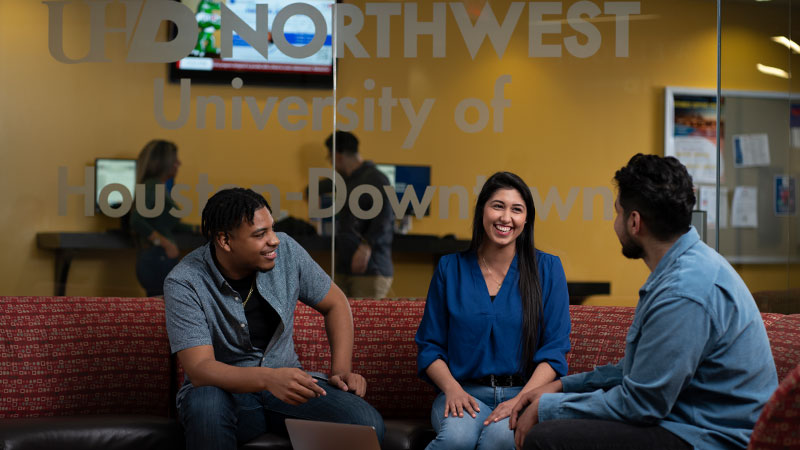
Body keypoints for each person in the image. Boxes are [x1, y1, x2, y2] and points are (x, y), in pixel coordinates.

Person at [510, 154, 779, 450]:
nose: (615, 224)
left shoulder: (685, 291)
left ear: (635, 221)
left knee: (546, 439)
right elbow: (635, 372)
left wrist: (549, 407)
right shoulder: (681, 269)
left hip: (712, 438)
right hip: (683, 421)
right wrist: (562, 386)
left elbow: (641, 403)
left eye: (617, 213)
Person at [164, 188, 385, 450]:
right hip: (228, 396)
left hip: (286, 391)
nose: (274, 240)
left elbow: (336, 303)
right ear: (225, 240)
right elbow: (200, 370)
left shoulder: (287, 251)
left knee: (365, 422)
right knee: (205, 403)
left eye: (272, 229)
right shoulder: (185, 281)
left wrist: (341, 371)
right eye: (260, 234)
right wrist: (269, 378)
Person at [415, 172, 571, 450]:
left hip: (524, 392)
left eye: (517, 209)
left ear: (526, 219)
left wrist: (522, 398)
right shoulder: (450, 268)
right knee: (456, 439)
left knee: (498, 440)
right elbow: (429, 347)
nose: (506, 217)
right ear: (482, 211)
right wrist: (452, 389)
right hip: (463, 391)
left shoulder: (548, 269)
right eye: (498, 205)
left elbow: (555, 351)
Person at [325, 130, 394, 298]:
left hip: (370, 267)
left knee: (366, 322)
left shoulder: (375, 179)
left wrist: (366, 247)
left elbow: (385, 220)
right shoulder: (347, 180)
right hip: (346, 267)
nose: (330, 162)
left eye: (330, 157)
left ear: (338, 156)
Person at [130, 139, 193, 296]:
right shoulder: (153, 186)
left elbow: (167, 223)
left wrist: (199, 229)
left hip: (158, 259)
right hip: (157, 259)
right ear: (164, 163)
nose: (179, 163)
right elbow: (136, 220)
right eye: (175, 160)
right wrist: (164, 243)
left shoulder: (157, 186)